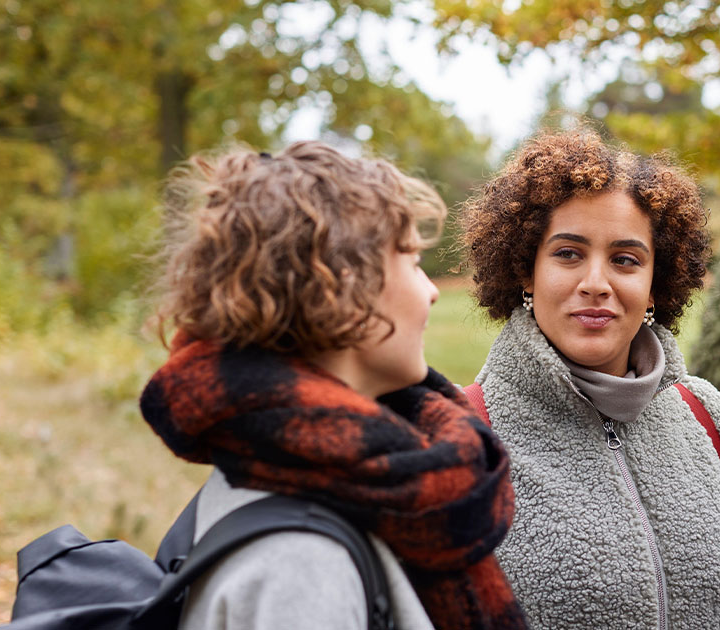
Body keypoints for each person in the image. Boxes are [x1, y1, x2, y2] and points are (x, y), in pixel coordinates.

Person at [140, 141, 527, 630]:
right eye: (410, 261)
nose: (430, 290)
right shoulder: (299, 565)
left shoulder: (289, 465)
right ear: (344, 291)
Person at [456, 129, 720, 629]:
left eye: (625, 260)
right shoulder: (464, 436)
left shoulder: (706, 416)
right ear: (526, 273)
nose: (596, 283)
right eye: (568, 253)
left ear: (655, 284)